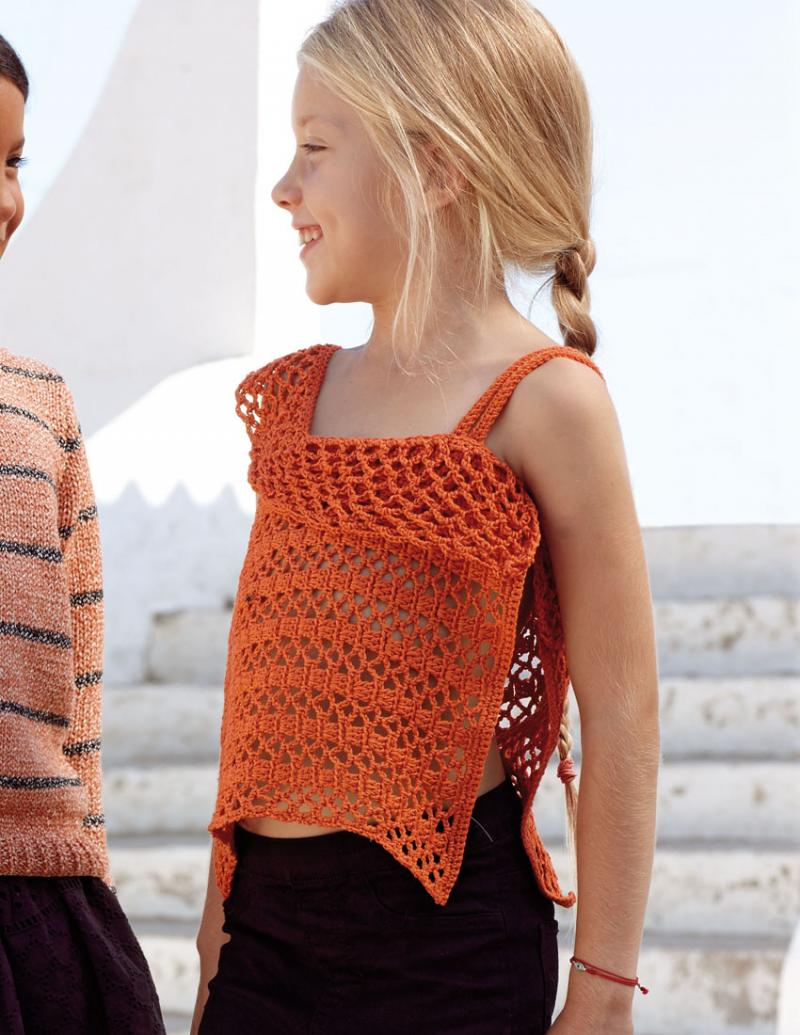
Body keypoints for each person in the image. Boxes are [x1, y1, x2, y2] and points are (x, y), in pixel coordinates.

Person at [193, 2, 660, 1033]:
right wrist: (215, 934)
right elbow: (261, 700)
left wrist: (603, 987)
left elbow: (622, 709)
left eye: (315, 148)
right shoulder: (297, 400)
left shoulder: (546, 400)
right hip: (266, 940)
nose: (284, 187)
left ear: (437, 166)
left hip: (450, 950)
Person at [0, 32, 165, 1034]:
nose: (5, 199)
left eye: (13, 161)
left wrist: (83, 853)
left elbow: (83, 689)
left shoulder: (42, 408)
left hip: (39, 910)